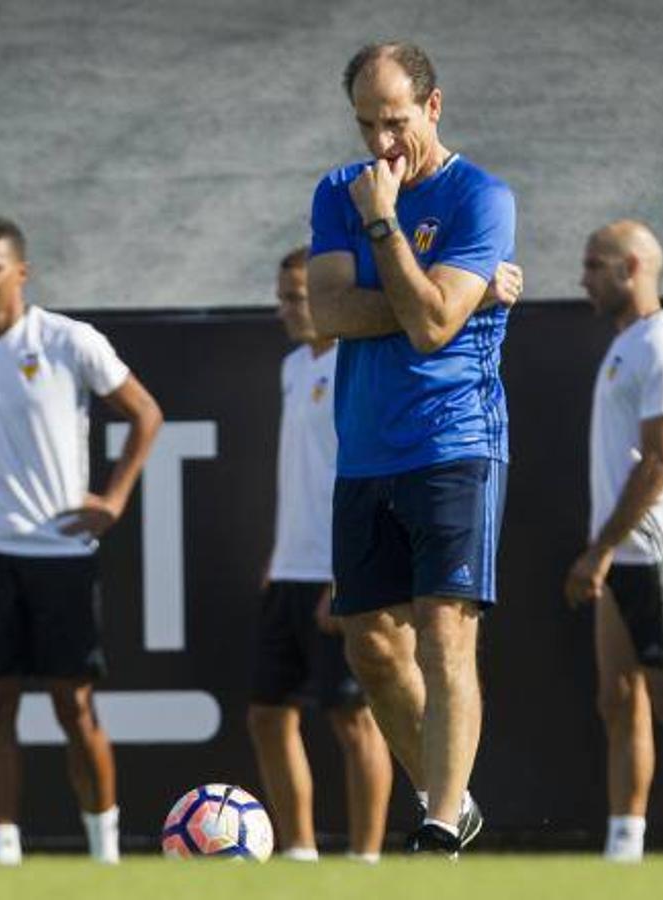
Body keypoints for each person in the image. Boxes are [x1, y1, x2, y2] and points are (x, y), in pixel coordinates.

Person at [304, 41, 524, 855]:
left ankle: (435, 829)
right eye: (366, 124)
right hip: (365, 449)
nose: (381, 144)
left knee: (443, 631)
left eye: (394, 122)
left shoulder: (481, 197)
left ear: (432, 107)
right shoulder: (337, 190)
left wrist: (385, 226)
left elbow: (433, 332)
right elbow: (328, 312)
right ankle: (451, 798)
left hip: (455, 441)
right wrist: (434, 289)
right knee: (370, 645)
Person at [0, 216, 164, 865]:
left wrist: (113, 501)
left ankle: (104, 854)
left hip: (62, 554)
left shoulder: (68, 341)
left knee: (73, 707)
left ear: (20, 272)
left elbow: (145, 414)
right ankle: (5, 859)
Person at [567, 221, 663, 864]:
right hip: (620, 551)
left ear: (632, 267)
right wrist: (605, 551)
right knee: (617, 699)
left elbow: (658, 462)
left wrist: (599, 550)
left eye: (595, 265)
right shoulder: (626, 343)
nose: (584, 278)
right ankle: (623, 851)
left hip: (659, 549)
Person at [247, 246, 392, 863]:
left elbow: (373, 477)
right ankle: (299, 852)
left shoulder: (356, 368)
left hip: (342, 575)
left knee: (353, 719)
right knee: (267, 714)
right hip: (290, 570)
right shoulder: (292, 367)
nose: (286, 309)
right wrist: (281, 555)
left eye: (298, 297)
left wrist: (348, 574)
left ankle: (366, 859)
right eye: (281, 297)